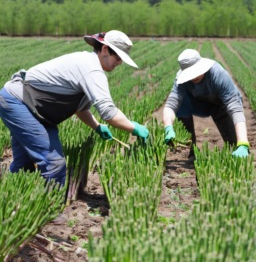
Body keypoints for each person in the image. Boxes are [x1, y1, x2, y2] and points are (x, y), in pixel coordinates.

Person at [0, 30, 149, 187]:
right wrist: (134, 128)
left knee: (24, 166)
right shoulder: (92, 69)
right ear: (105, 49)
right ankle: (52, 209)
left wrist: (96, 126)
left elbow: (80, 108)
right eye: (117, 58)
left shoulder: (88, 65)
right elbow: (108, 113)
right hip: (18, 102)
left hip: (36, 109)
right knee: (53, 164)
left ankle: (13, 202)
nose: (119, 63)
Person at [163, 49, 249, 160]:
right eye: (190, 74)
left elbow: (235, 108)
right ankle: (192, 149)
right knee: (181, 101)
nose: (194, 77)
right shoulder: (181, 81)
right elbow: (171, 105)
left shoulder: (218, 74)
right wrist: (168, 128)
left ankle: (240, 149)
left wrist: (243, 143)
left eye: (196, 72)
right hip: (200, 104)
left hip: (222, 105)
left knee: (234, 145)